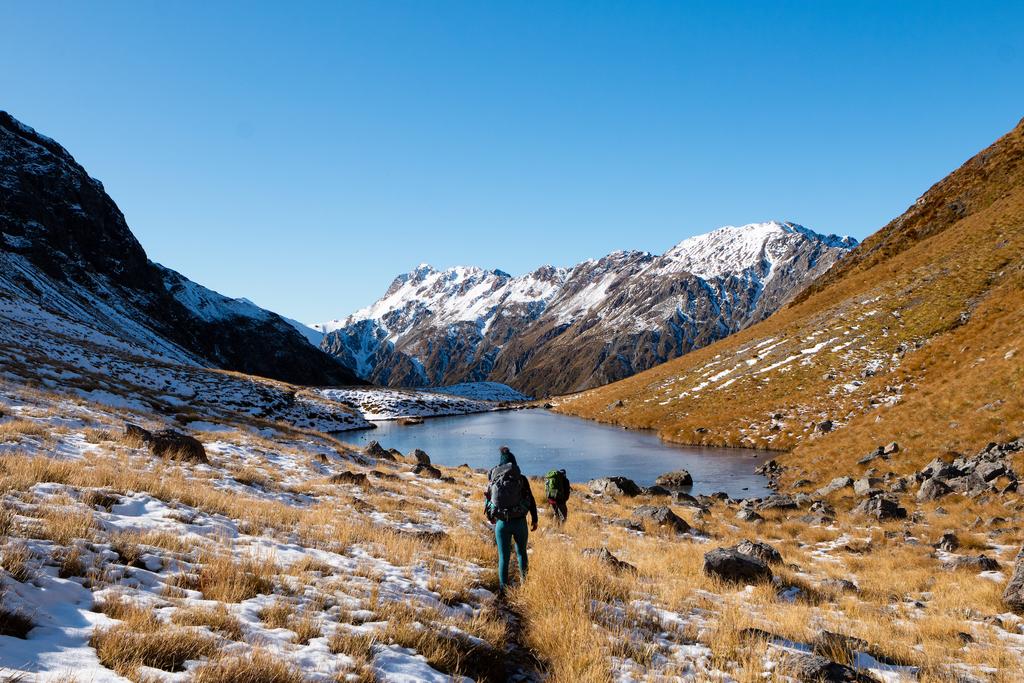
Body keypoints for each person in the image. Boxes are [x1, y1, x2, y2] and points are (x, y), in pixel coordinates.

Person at [484, 446, 538, 593]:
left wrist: (491, 517)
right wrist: (534, 519)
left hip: (502, 523)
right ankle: (524, 584)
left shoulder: (494, 478)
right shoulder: (521, 479)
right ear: (514, 463)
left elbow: (488, 500)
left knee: (504, 557)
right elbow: (531, 500)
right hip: (520, 522)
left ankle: (503, 589)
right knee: (521, 553)